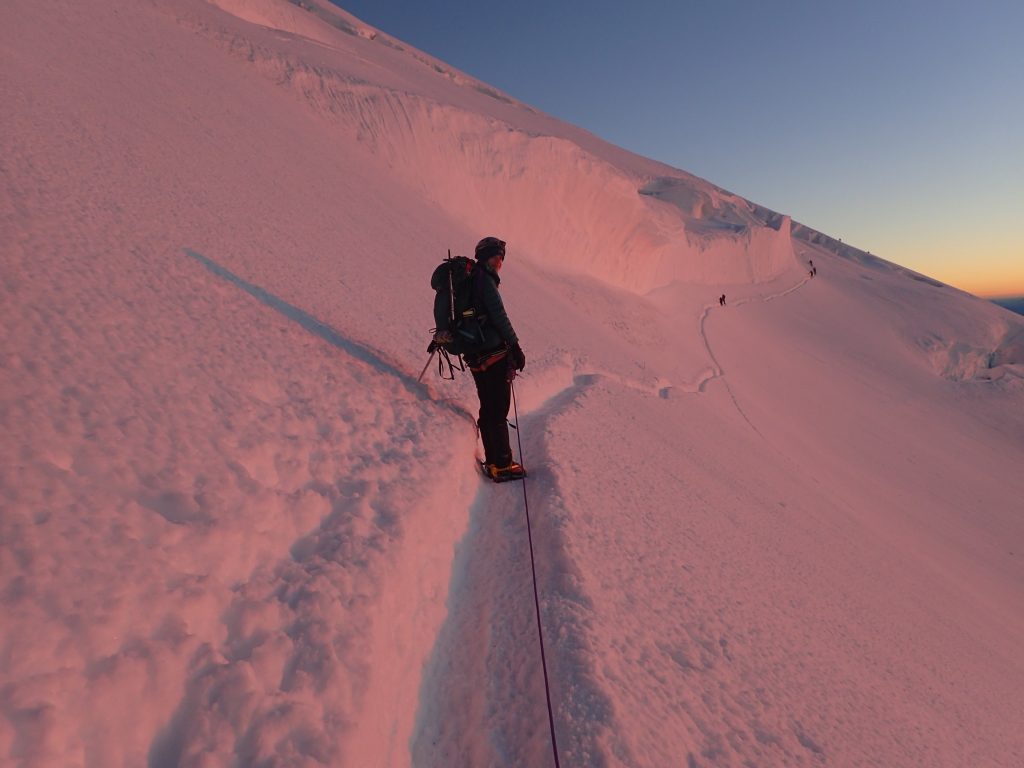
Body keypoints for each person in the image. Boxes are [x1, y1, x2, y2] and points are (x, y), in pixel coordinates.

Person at [464, 236, 527, 481]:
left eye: (501, 259)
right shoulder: (484, 280)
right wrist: (515, 346)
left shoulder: (470, 280)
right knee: (498, 408)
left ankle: (493, 461)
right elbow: (499, 316)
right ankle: (501, 464)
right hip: (493, 353)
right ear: (488, 257)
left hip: (475, 355)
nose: (500, 263)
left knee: (488, 406)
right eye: (497, 258)